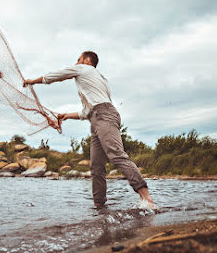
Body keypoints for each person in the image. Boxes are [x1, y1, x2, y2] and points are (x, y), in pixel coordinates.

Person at [23, 51, 155, 209]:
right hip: (97, 117)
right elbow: (86, 112)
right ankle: (99, 207)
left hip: (103, 115)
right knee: (96, 166)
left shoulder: (83, 69)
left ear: (86, 60)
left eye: (78, 59)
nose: (76, 62)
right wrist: (66, 116)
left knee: (116, 155)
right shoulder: (96, 79)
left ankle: (147, 200)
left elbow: (56, 75)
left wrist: (33, 81)